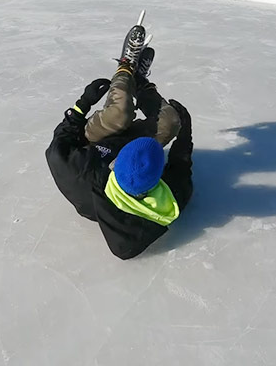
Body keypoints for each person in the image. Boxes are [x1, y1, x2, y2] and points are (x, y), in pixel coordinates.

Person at [45, 24, 194, 260]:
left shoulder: (77, 170)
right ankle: (140, 81)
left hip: (91, 142)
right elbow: (181, 164)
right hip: (115, 152)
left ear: (115, 162)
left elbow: (59, 141)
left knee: (119, 113)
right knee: (171, 121)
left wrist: (82, 105)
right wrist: (185, 134)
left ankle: (125, 66)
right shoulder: (170, 199)